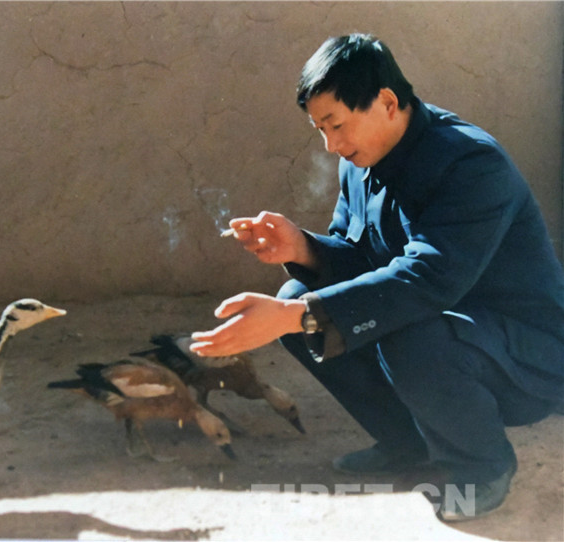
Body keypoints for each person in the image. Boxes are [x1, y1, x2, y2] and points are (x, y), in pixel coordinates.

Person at [190, 33, 564, 521]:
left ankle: (481, 467)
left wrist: (298, 316)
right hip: (446, 331)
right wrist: (302, 248)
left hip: (525, 357)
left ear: (387, 102)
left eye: (337, 125)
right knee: (299, 293)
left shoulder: (471, 164)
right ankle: (408, 443)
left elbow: (427, 280)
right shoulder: (360, 163)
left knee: (380, 327)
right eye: (320, 129)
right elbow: (361, 261)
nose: (331, 145)